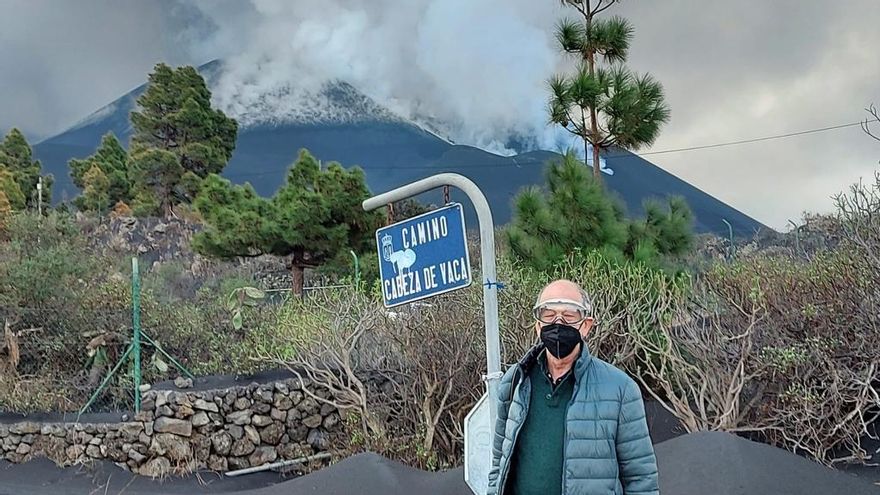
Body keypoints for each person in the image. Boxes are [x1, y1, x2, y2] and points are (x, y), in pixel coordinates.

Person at [486, 279, 659, 495]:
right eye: (549, 314)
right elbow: (499, 464)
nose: (558, 323)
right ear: (538, 325)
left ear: (586, 325)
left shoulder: (621, 390)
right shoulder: (515, 381)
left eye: (569, 315)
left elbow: (641, 479)